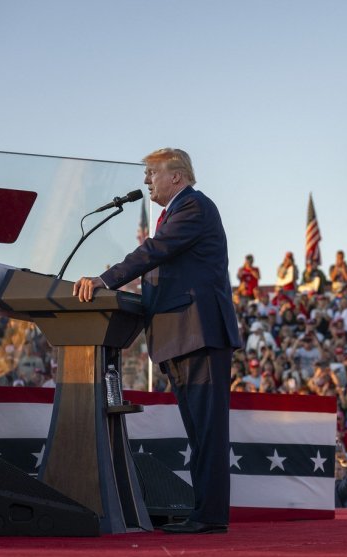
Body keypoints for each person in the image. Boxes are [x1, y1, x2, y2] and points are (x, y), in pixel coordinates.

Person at [73, 147, 241, 534]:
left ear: (177, 176)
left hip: (199, 333)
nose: (146, 180)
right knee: (199, 431)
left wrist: (105, 280)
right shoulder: (176, 212)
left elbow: (154, 252)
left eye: (152, 173)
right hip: (181, 334)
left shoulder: (193, 208)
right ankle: (205, 512)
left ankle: (211, 516)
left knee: (208, 430)